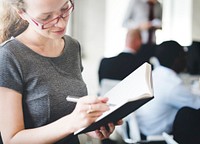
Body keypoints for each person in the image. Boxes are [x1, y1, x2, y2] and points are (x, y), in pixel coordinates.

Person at [0, 0, 122, 143]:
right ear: (22, 13)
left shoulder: (72, 46)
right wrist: (72, 123)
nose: (61, 24)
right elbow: (12, 140)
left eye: (64, 9)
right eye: (46, 18)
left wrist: (89, 126)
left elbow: (67, 116)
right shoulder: (8, 56)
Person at [135, 40, 200, 139]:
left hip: (143, 129)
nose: (186, 59)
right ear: (177, 59)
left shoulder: (154, 74)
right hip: (157, 136)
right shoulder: (173, 85)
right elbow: (197, 104)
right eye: (184, 55)